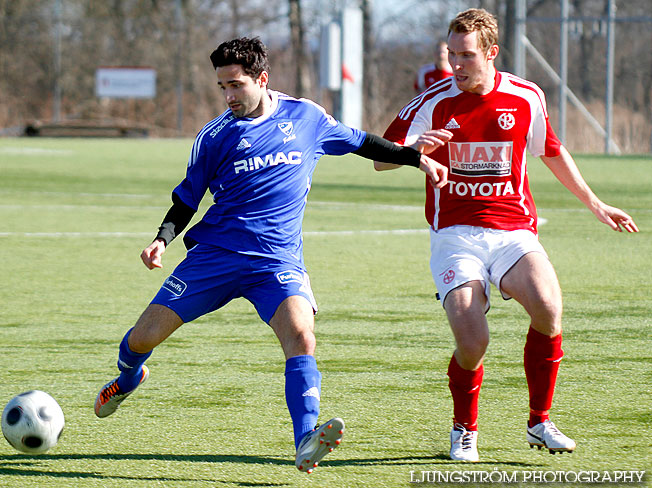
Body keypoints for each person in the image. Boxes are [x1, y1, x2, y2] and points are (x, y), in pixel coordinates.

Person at [94, 37, 448, 474]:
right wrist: (161, 239)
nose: (228, 96)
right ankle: (128, 379)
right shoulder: (214, 137)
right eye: (222, 86)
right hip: (215, 258)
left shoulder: (307, 117)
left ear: (262, 79)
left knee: (302, 337)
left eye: (236, 85)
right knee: (143, 337)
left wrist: (416, 159)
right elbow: (187, 198)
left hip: (276, 262)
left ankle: (305, 441)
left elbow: (360, 142)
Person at [376, 8, 638, 462]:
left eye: (466, 56)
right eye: (452, 55)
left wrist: (596, 204)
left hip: (514, 231)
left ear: (491, 53)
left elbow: (551, 151)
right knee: (473, 341)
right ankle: (464, 429)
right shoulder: (433, 101)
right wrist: (414, 151)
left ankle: (540, 421)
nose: (456, 65)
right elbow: (381, 157)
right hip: (455, 234)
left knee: (549, 308)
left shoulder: (524, 96)